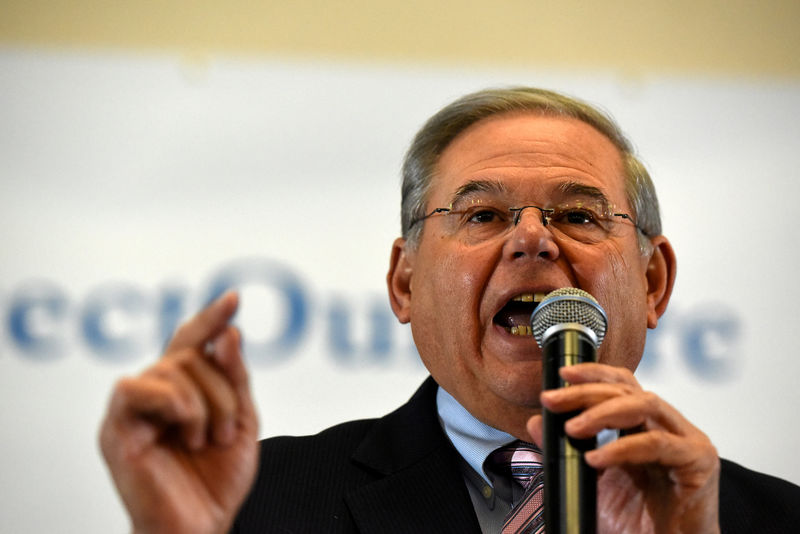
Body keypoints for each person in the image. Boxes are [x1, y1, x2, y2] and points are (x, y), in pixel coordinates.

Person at [99, 87, 800, 534]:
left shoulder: (772, 518)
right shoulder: (256, 505)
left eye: (579, 214)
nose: (532, 238)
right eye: (484, 213)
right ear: (404, 283)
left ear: (653, 282)